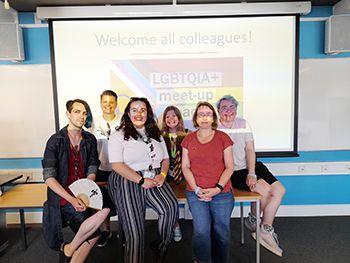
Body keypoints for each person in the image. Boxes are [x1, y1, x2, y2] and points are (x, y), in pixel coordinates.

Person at [108, 97, 178, 263]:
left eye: (143, 110)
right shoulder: (119, 134)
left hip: (154, 176)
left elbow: (166, 159)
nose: (139, 113)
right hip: (127, 178)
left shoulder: (156, 133)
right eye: (134, 110)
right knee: (135, 232)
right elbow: (117, 165)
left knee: (170, 208)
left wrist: (162, 175)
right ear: (128, 113)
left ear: (148, 113)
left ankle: (161, 245)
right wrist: (140, 181)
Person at [216, 95, 286, 257]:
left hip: (251, 165)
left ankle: (264, 228)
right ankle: (257, 222)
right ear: (218, 111)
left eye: (232, 106)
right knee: (265, 191)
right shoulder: (215, 128)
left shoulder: (243, 123)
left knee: (280, 191)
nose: (228, 110)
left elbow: (249, 149)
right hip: (233, 171)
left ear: (236, 109)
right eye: (224, 107)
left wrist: (252, 172)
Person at [42, 99, 110, 263]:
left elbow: (93, 165)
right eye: (77, 111)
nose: (81, 116)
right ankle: (71, 254)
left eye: (84, 112)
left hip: (85, 192)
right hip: (63, 196)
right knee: (93, 235)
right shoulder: (55, 141)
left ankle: (69, 249)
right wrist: (73, 199)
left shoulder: (89, 139)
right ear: (68, 114)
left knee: (107, 208)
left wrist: (87, 187)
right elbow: (49, 178)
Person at [181, 101, 234, 263]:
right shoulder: (188, 140)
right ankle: (201, 260)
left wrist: (217, 189)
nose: (204, 117)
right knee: (201, 231)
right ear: (196, 118)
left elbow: (230, 167)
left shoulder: (223, 138)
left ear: (213, 117)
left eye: (208, 114)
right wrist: (197, 190)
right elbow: (185, 167)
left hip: (222, 193)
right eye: (201, 114)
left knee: (221, 232)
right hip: (196, 192)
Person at [91, 90, 120, 247]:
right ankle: (106, 231)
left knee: (122, 201)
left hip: (119, 168)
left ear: (116, 104)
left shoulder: (123, 121)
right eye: (105, 102)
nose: (108, 105)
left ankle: (125, 232)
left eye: (111, 102)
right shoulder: (93, 122)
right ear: (100, 103)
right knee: (101, 202)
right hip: (100, 167)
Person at [161, 105, 190, 242]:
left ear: (179, 118)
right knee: (169, 201)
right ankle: (175, 225)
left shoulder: (187, 133)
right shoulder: (160, 136)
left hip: (184, 176)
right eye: (167, 116)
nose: (171, 119)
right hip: (166, 176)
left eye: (173, 115)